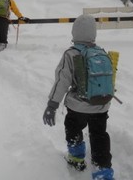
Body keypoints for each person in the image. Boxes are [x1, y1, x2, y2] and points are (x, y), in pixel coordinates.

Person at [43, 14, 114, 180]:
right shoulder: (101, 52)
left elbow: (62, 81)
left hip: (78, 106)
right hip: (101, 105)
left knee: (73, 127)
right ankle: (103, 172)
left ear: (74, 33)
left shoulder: (71, 54)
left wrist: (52, 105)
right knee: (99, 135)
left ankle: (76, 159)